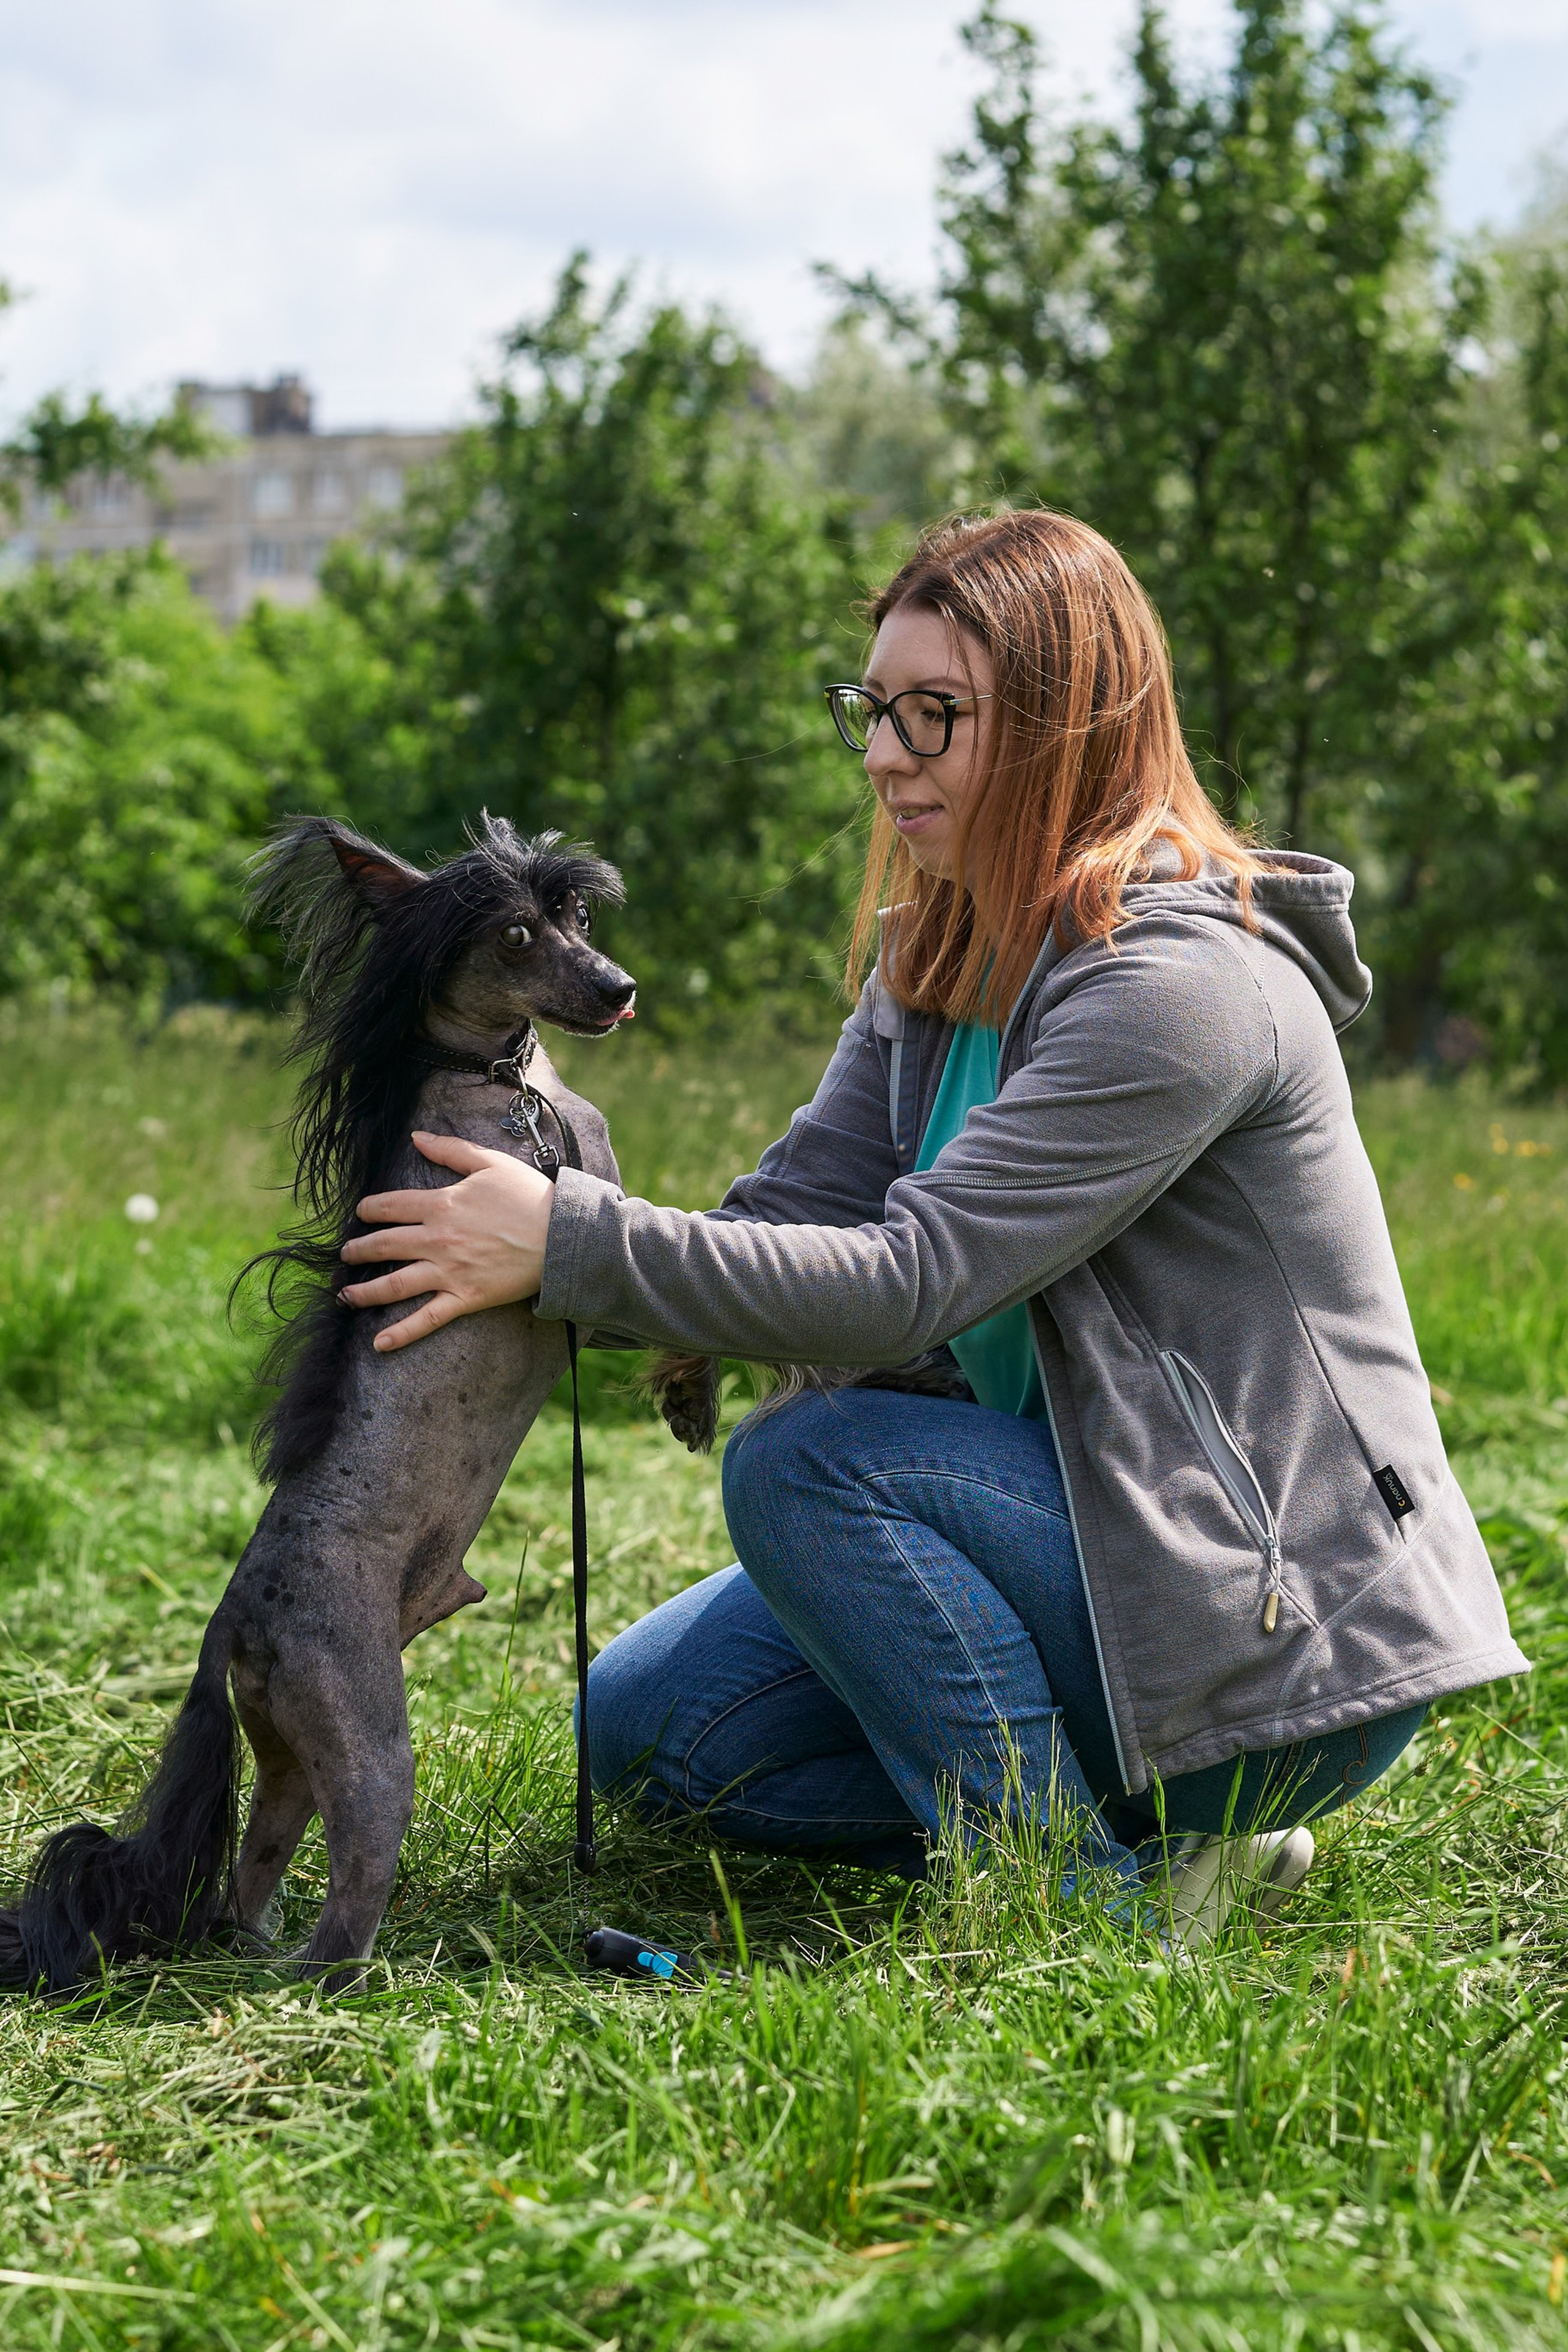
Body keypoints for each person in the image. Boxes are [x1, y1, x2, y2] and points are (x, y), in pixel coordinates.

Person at [339, 509, 1528, 1936]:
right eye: (873, 709)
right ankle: (1170, 1842)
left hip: (1271, 1627)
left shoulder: (1179, 988)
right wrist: (532, 1213)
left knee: (811, 1463)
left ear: (1064, 724)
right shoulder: (941, 949)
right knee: (649, 1733)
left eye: (932, 716)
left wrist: (568, 1241)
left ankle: (1079, 1905)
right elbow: (796, 1209)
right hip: (1083, 1540)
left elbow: (907, 1281)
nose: (883, 755)